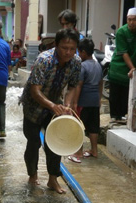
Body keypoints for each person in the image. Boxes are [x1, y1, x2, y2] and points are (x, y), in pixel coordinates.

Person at [20, 28, 81, 194]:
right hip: (33, 106)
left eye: (72, 49)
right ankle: (32, 175)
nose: (68, 52)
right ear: (56, 45)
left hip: (55, 107)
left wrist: (67, 105)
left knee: (55, 143)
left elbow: (73, 86)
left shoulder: (76, 62)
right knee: (34, 142)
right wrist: (52, 105)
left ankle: (52, 179)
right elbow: (35, 90)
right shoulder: (44, 60)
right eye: (64, 48)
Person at [108, 7, 136, 122]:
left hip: (132, 67)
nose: (131, 22)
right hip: (118, 67)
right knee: (115, 94)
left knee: (127, 93)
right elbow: (124, 53)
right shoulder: (121, 32)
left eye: (134, 20)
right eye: (129, 19)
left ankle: (124, 116)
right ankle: (114, 117)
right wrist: (132, 67)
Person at [68, 38, 102, 163]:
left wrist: (75, 102)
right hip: (94, 101)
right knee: (93, 127)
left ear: (82, 52)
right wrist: (99, 98)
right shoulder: (98, 64)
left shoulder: (82, 66)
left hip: (83, 101)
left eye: (78, 52)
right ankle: (94, 150)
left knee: (79, 126)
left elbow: (79, 85)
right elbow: (100, 83)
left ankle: (78, 153)